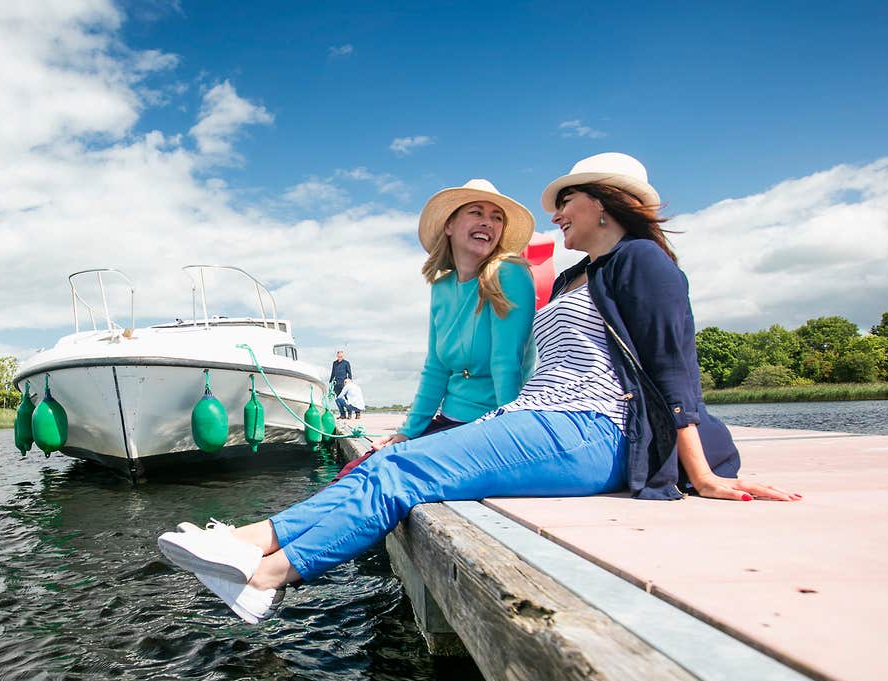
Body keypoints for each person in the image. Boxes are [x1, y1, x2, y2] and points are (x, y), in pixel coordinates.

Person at [158, 153, 800, 624]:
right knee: (396, 459)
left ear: (602, 203)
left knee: (406, 474)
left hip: (596, 426)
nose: (555, 214)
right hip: (546, 418)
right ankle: (255, 555)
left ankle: (258, 562)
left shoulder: (644, 262)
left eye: (566, 202)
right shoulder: (583, 273)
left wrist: (701, 473)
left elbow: (672, 366)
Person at [331, 178, 537, 482]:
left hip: (492, 424)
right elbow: (436, 368)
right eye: (477, 213)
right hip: (450, 421)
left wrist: (509, 438)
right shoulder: (441, 288)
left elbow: (507, 363)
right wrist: (407, 432)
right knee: (360, 469)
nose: (488, 223)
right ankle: (262, 531)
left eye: (496, 217)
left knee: (385, 478)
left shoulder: (510, 274)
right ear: (450, 225)